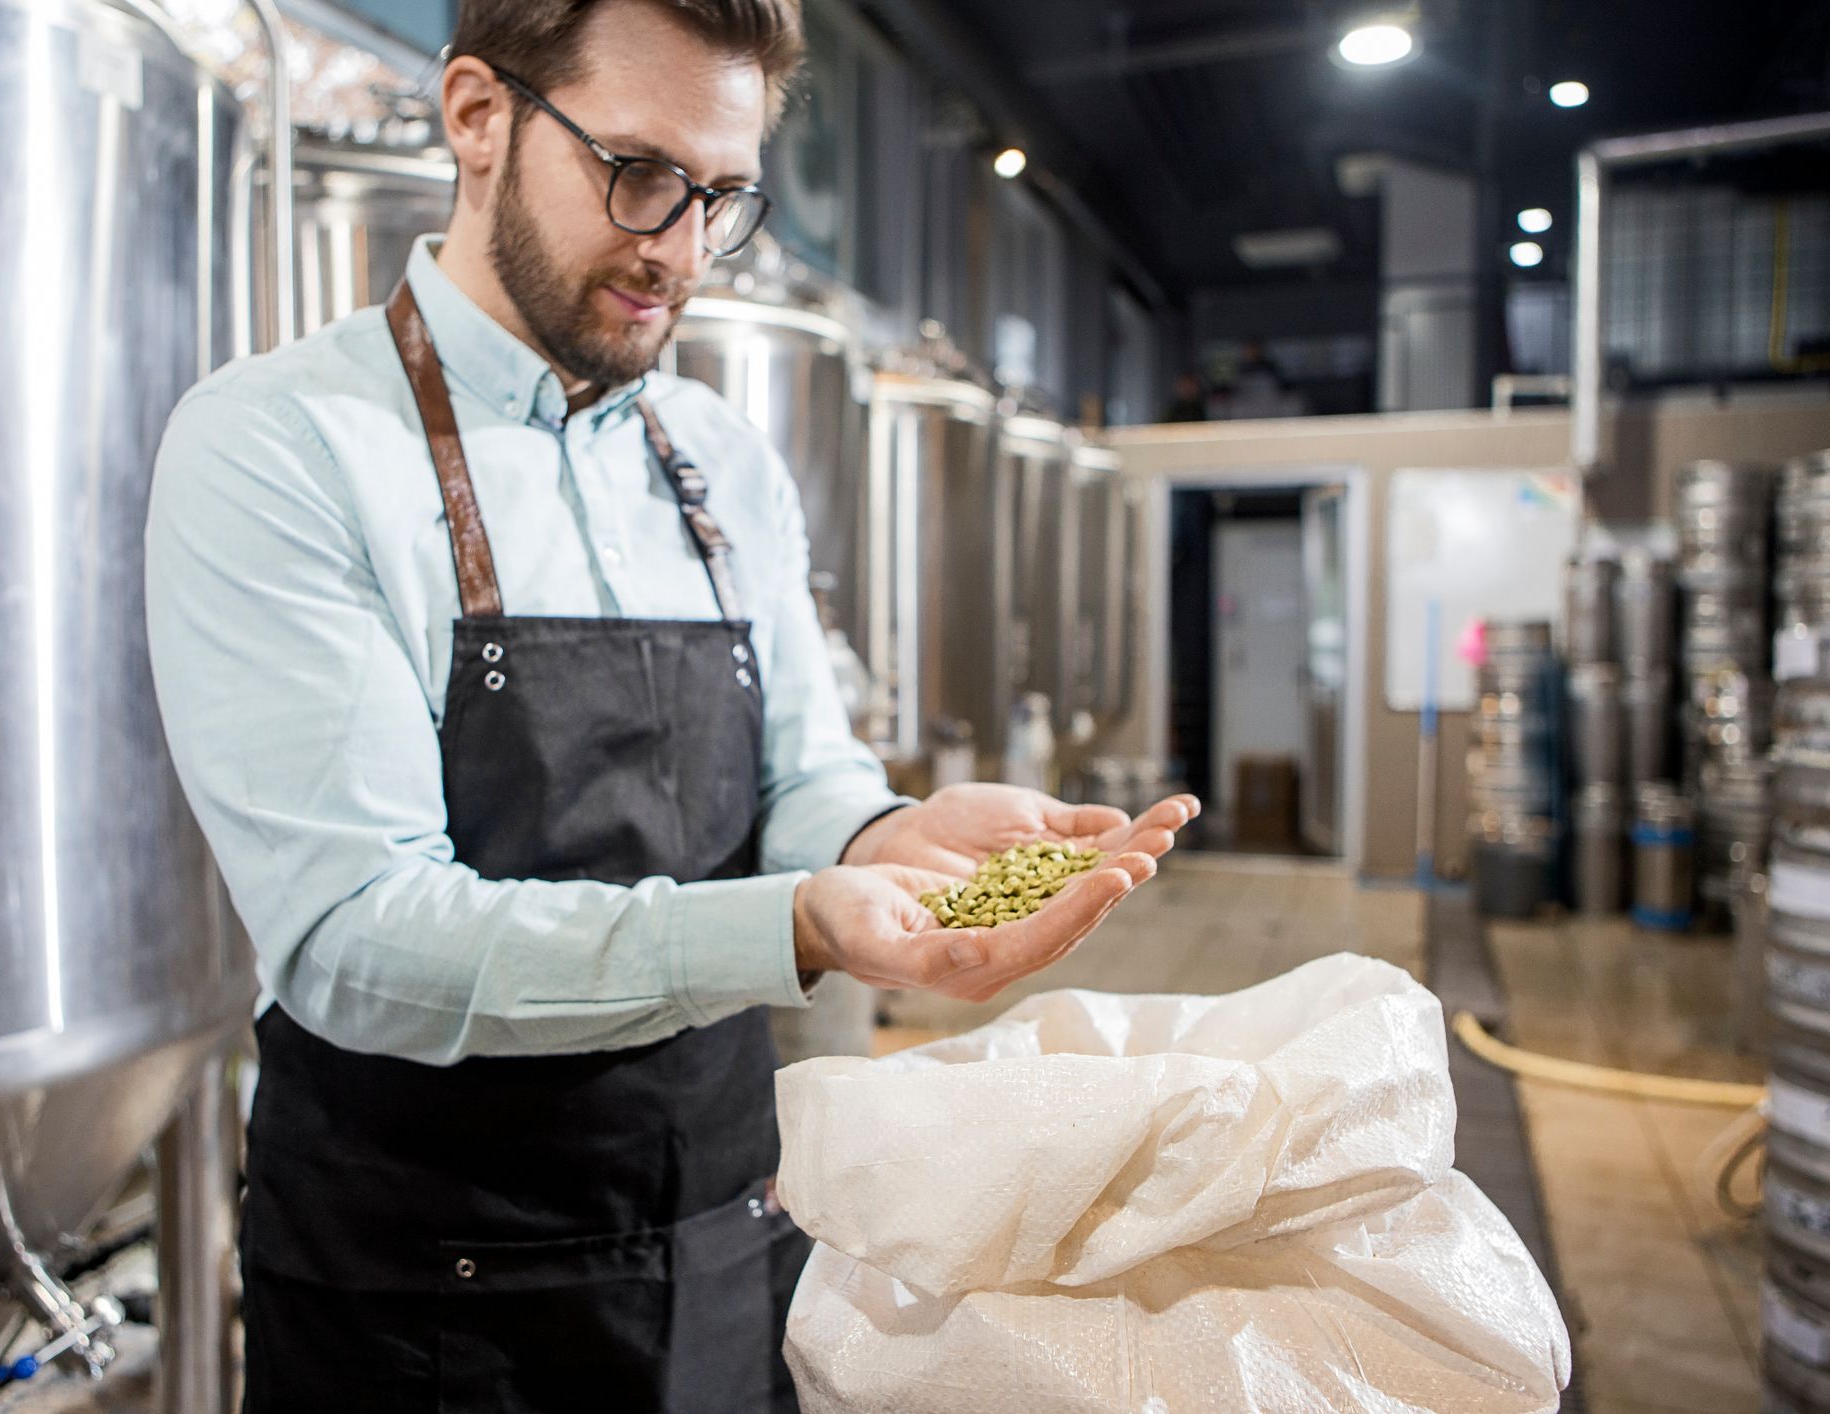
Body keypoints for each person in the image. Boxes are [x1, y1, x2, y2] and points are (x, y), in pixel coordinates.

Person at [144, 1, 1199, 1408]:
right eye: (638, 174)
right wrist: (801, 921)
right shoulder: (283, 446)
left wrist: (884, 837)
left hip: (720, 1238)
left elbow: (798, 777)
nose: (682, 250)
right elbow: (358, 939)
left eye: (722, 196)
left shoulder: (717, 459)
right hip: (425, 1299)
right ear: (476, 115)